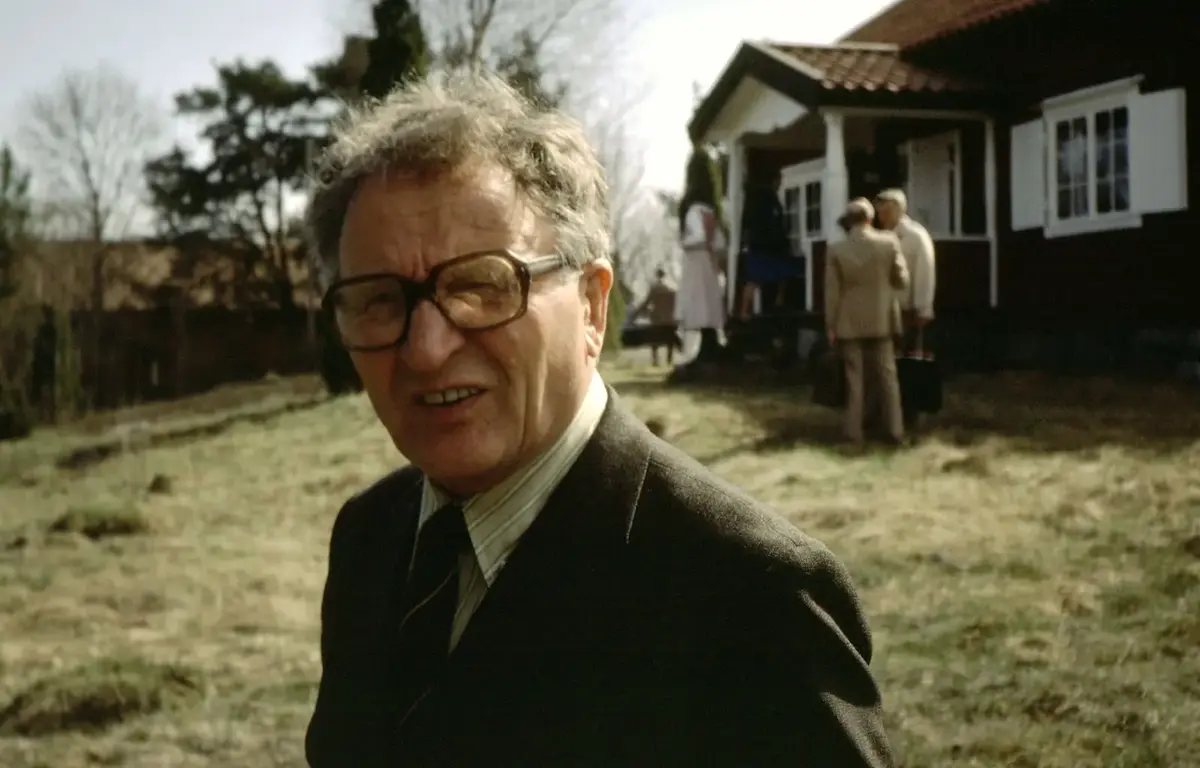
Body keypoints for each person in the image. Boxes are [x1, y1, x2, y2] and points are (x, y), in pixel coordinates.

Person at [302, 69, 895, 767]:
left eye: (482, 284)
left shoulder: (751, 597)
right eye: (378, 300)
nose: (427, 350)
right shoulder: (371, 537)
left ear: (592, 306)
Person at [824, 198, 910, 445]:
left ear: (848, 221)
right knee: (887, 377)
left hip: (849, 321)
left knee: (855, 378)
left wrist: (831, 325)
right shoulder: (889, 242)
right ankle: (895, 431)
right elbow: (902, 280)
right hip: (882, 317)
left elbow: (832, 292)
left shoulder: (836, 250)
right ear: (870, 219)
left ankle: (853, 432)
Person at [875, 188, 936, 430]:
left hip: (909, 309)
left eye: (885, 210)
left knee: (911, 362)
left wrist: (923, 308)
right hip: (888, 309)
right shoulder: (884, 235)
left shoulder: (915, 236)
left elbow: (925, 273)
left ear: (898, 210)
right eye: (879, 211)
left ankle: (913, 412)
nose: (881, 215)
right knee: (890, 362)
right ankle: (891, 412)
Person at [675, 148, 727, 372]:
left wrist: (684, 242)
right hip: (709, 260)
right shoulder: (711, 210)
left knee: (697, 301)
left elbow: (697, 236)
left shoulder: (693, 210)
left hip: (696, 260)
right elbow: (720, 242)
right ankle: (710, 344)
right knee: (709, 301)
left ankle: (704, 351)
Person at [738, 168, 803, 319]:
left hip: (756, 244)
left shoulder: (752, 198)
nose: (780, 184)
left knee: (752, 279)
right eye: (780, 180)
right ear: (774, 180)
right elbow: (776, 222)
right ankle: (778, 302)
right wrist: (782, 240)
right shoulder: (770, 199)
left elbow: (746, 222)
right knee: (784, 272)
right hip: (770, 246)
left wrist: (746, 240)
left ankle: (744, 311)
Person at [631, 267, 680, 366]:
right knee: (669, 340)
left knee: (655, 340)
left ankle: (655, 360)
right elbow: (677, 303)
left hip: (657, 319)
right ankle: (669, 359)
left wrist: (636, 313)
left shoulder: (655, 288)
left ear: (657, 275)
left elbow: (647, 302)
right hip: (670, 319)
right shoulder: (672, 287)